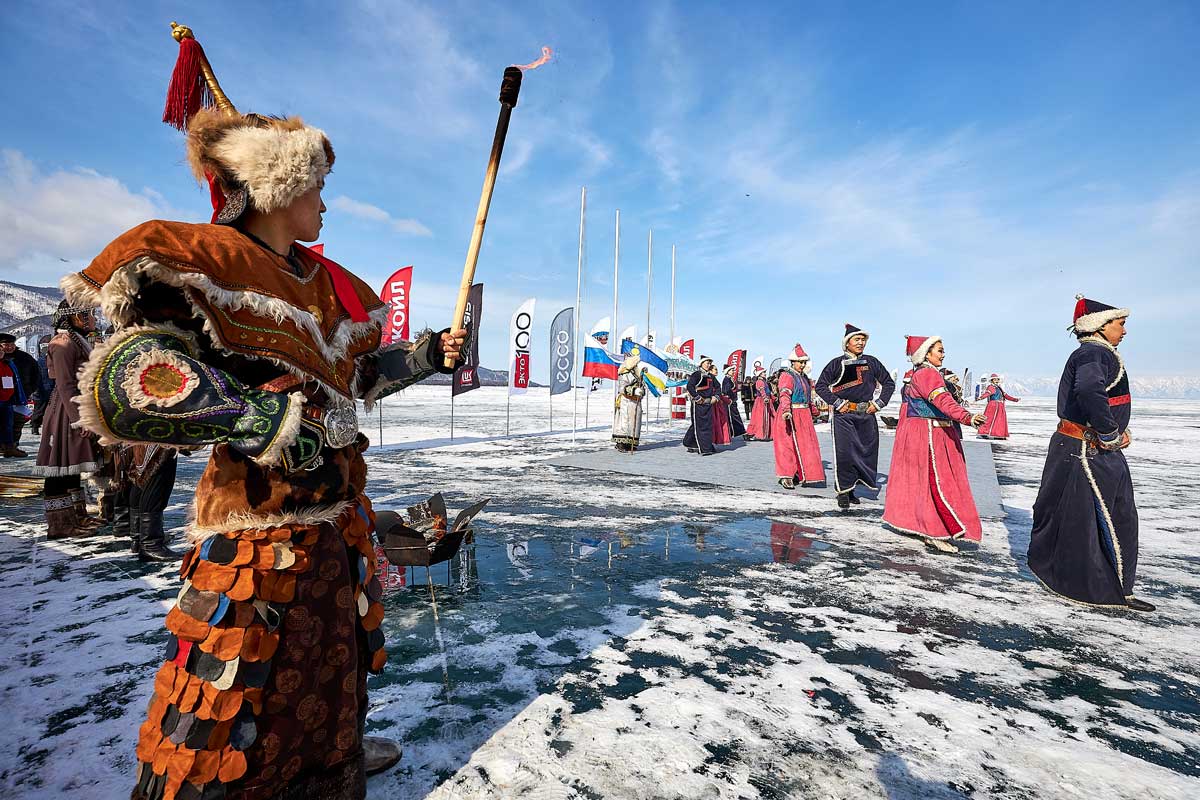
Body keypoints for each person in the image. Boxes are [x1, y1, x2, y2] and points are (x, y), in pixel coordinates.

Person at [64, 48, 467, 797]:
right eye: (316, 185)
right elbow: (130, 380)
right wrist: (258, 416)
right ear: (277, 186)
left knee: (332, 672)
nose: (326, 200)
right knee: (227, 692)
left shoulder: (331, 285)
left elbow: (356, 379)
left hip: (335, 523)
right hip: (255, 527)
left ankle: (328, 767)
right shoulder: (203, 259)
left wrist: (423, 358)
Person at [1027, 296, 1151, 611]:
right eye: (1120, 324)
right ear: (1100, 325)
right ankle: (1099, 587)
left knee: (1082, 515)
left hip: (1082, 448)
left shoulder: (1096, 353)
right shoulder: (1095, 353)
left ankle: (1095, 582)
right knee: (1112, 516)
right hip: (1087, 449)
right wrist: (1109, 433)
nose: (1124, 331)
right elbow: (1088, 390)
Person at [882, 336, 986, 552]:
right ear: (926, 353)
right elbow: (944, 402)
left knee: (920, 482)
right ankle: (935, 530)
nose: (943, 354)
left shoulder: (920, 374)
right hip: (930, 434)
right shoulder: (928, 374)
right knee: (937, 481)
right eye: (939, 350)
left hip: (919, 433)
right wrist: (968, 417)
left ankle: (916, 523)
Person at [32, 302, 104, 535]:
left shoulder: (74, 341)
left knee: (72, 464)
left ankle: (76, 516)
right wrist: (79, 418)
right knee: (61, 466)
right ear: (77, 318)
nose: (93, 320)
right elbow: (65, 385)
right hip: (66, 410)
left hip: (74, 405)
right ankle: (60, 525)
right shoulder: (62, 344)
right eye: (90, 315)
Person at [815, 324, 896, 510]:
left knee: (865, 452)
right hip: (844, 415)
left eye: (863, 340)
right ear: (847, 343)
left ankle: (853, 488)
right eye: (856, 339)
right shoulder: (836, 363)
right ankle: (843, 491)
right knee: (845, 453)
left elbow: (888, 384)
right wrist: (838, 403)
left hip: (867, 414)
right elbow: (820, 386)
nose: (861, 343)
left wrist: (878, 403)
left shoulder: (872, 362)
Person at [772, 345, 824, 489]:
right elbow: (784, 394)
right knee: (787, 445)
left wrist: (815, 411)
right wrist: (786, 410)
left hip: (804, 416)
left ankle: (801, 473)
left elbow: (808, 398)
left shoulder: (804, 377)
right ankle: (786, 475)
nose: (803, 365)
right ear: (792, 362)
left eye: (804, 362)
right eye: (800, 362)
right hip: (790, 415)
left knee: (805, 446)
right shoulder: (787, 376)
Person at [2, 333, 44, 454]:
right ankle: (3, 446)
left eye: (12, 344)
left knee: (18, 422)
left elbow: (36, 374)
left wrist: (29, 390)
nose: (9, 347)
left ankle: (13, 446)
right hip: (3, 397)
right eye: (6, 344)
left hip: (19, 396)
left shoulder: (24, 357)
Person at [683, 356, 720, 455]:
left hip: (708, 404)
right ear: (701, 364)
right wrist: (697, 397)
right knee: (701, 425)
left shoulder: (711, 377)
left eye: (709, 363)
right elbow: (690, 386)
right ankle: (705, 449)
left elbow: (718, 387)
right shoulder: (696, 374)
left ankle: (689, 442)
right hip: (698, 404)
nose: (708, 365)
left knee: (705, 425)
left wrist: (716, 397)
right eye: (707, 363)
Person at [613, 350, 648, 451]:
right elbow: (621, 387)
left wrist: (641, 391)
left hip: (636, 402)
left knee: (635, 423)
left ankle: (631, 443)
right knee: (625, 422)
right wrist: (634, 390)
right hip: (626, 401)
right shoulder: (625, 373)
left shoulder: (639, 375)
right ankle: (621, 443)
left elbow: (642, 386)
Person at [977, 374, 1019, 440]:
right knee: (988, 419)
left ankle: (998, 434)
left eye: (998, 379)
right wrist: (981, 397)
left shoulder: (999, 388)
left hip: (1000, 406)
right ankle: (983, 433)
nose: (997, 381)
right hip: (993, 405)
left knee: (999, 420)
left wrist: (1015, 399)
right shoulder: (990, 387)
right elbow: (987, 393)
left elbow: (1006, 395)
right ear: (992, 380)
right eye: (995, 379)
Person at [745, 364, 773, 441]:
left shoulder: (764, 381)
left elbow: (768, 392)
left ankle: (767, 433)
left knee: (766, 417)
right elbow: (762, 390)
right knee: (760, 418)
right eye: (764, 372)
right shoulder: (759, 381)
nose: (765, 373)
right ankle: (759, 434)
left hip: (765, 400)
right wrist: (765, 398)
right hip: (761, 401)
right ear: (760, 374)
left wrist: (773, 397)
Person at [721, 364, 747, 440]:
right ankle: (735, 432)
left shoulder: (730, 379)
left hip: (732, 401)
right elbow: (727, 390)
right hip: (729, 401)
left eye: (733, 370)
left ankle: (737, 432)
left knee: (734, 417)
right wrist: (732, 397)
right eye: (731, 370)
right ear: (727, 371)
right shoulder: (726, 379)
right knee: (732, 417)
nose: (733, 372)